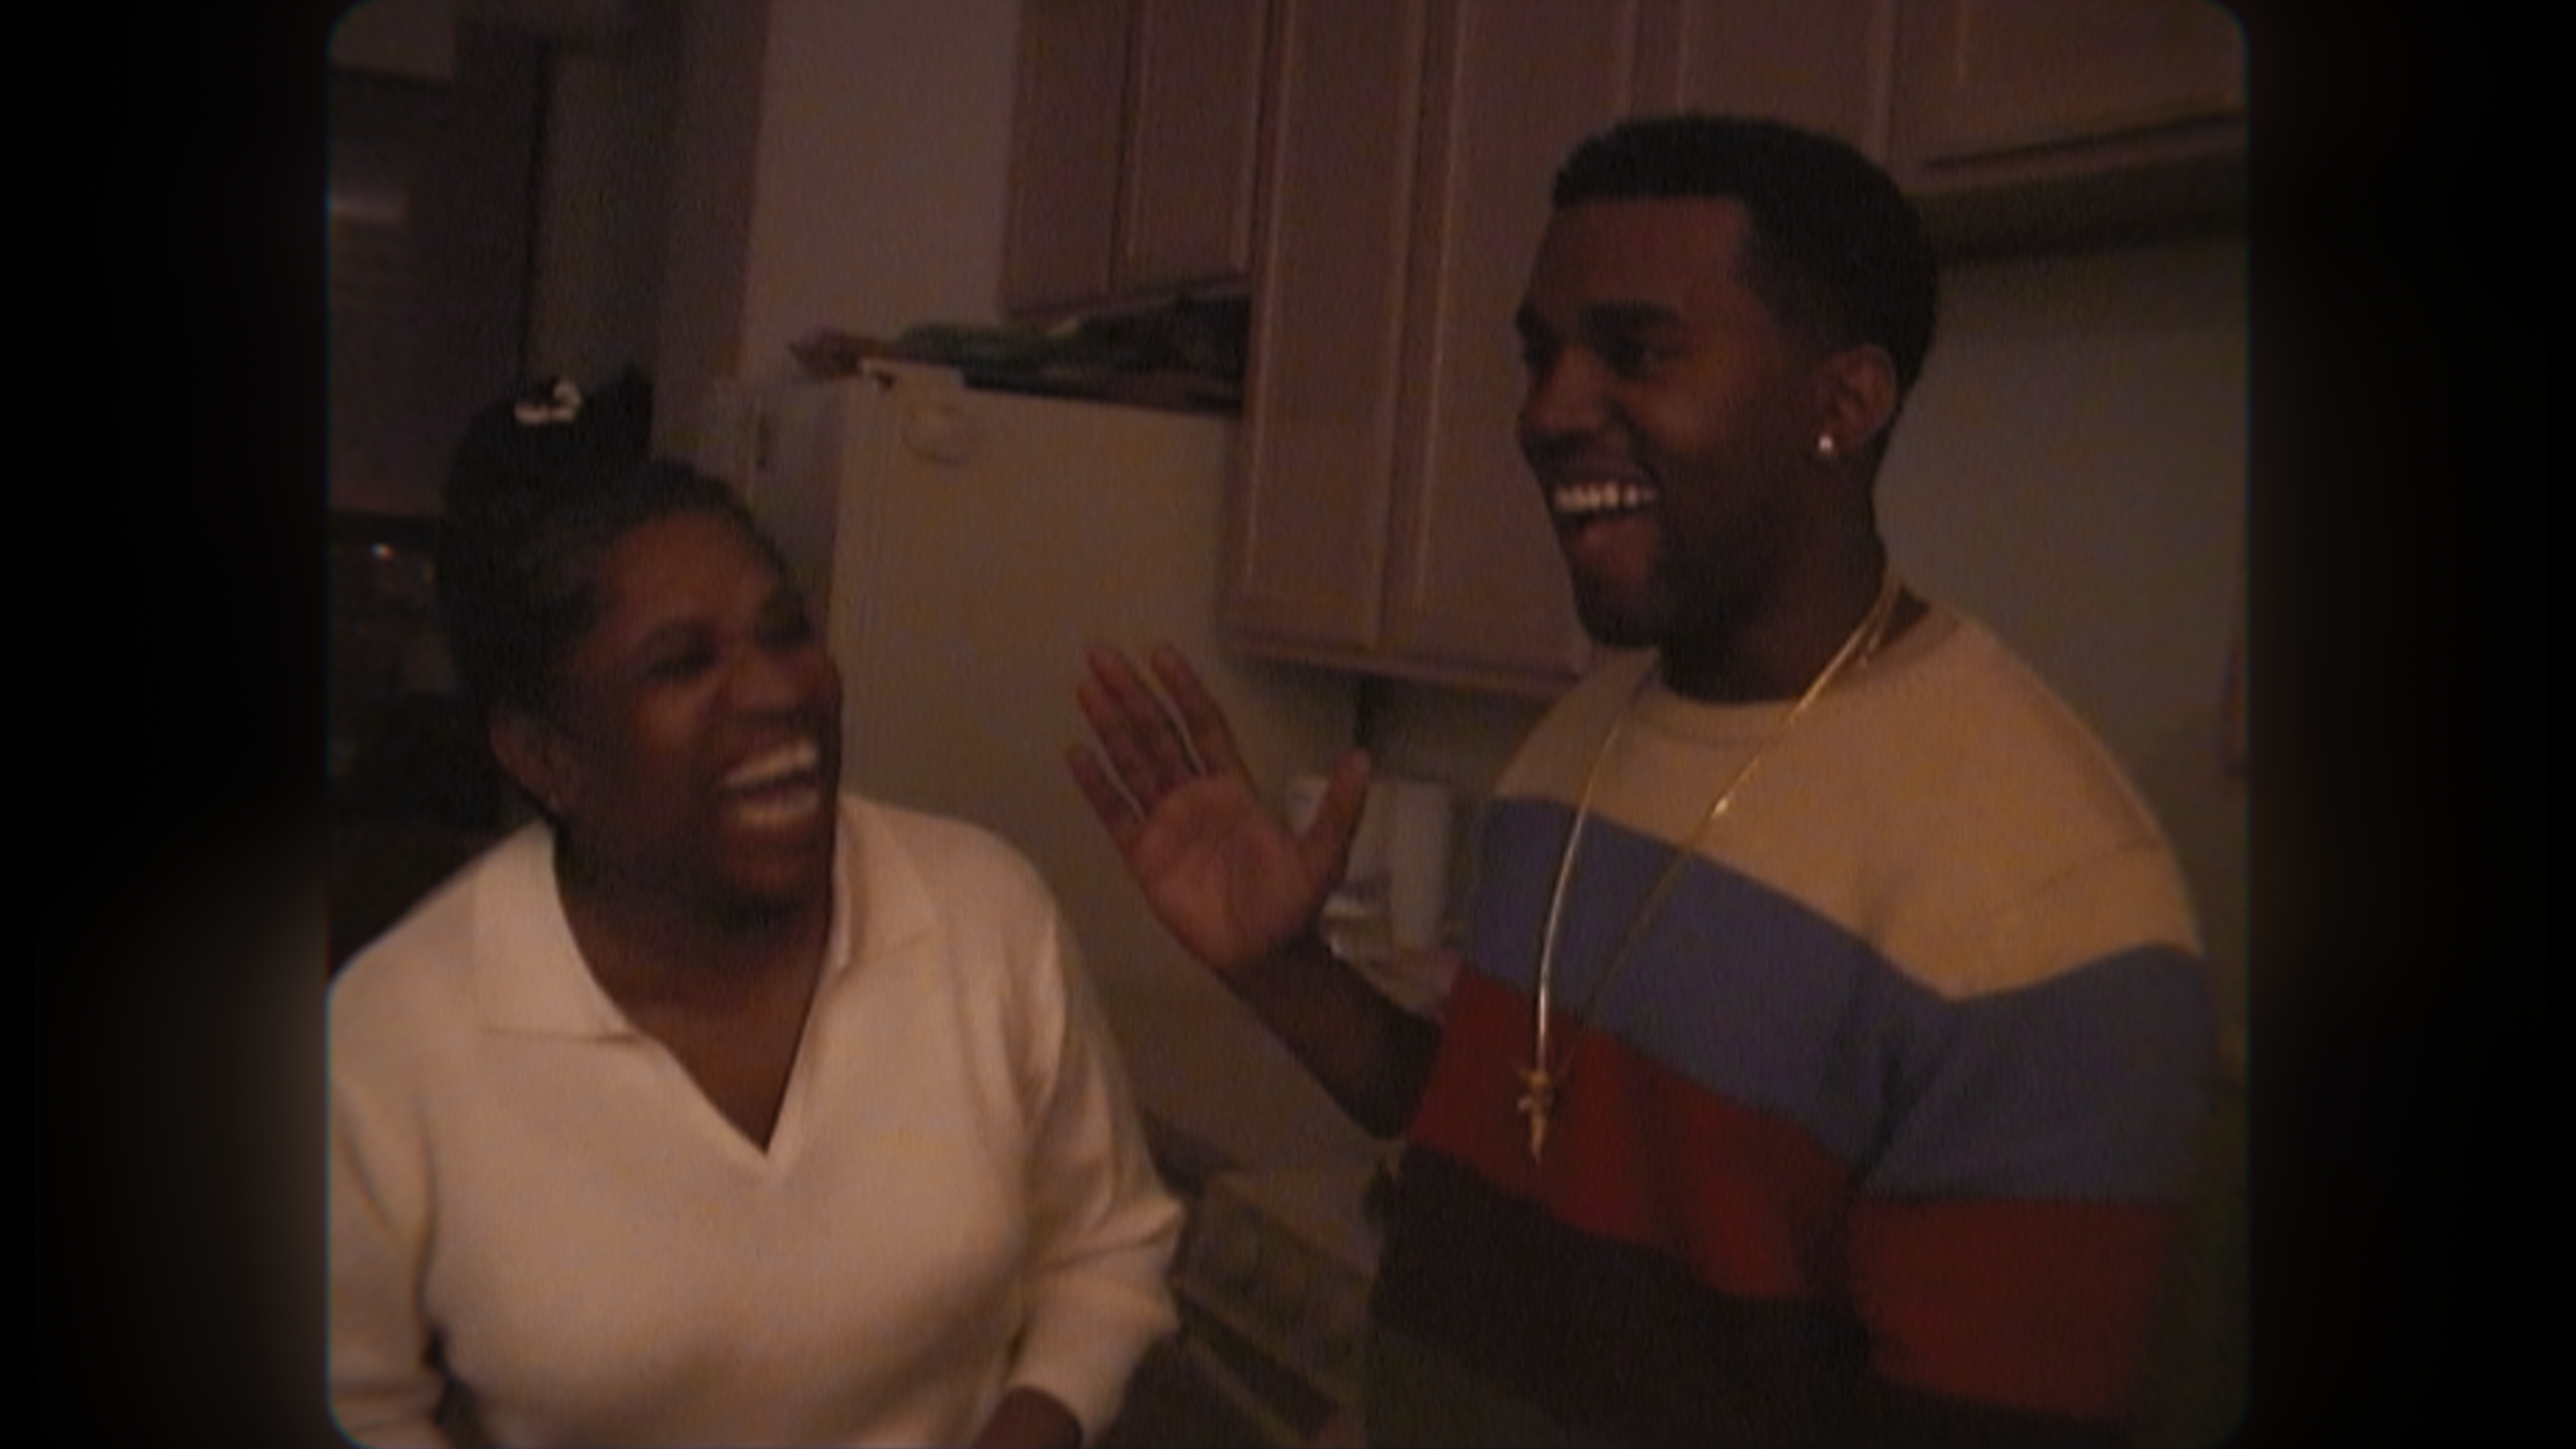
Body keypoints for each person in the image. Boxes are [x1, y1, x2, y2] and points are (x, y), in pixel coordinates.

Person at [1067, 114, 2214, 1447]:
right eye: (1542, 354)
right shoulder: (1592, 728)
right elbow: (1511, 1127)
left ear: (1842, 404)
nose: (1549, 411)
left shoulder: (2054, 906)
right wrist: (1282, 969)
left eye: (1636, 350)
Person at [329, 374, 1183, 1448]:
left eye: (787, 632)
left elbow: (1106, 1249)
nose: (780, 689)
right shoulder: (397, 1032)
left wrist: (1036, 1423)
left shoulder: (981, 915)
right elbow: (349, 1405)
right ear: (542, 754)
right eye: (682, 663)